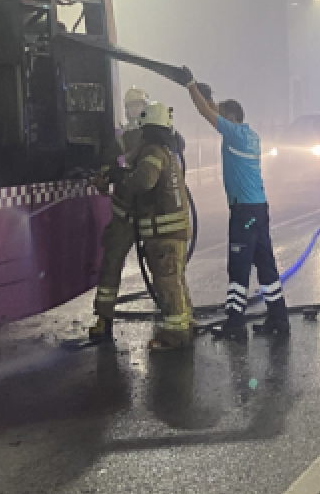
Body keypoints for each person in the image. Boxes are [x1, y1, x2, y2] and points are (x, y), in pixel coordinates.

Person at [183, 75, 289, 340]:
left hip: (243, 212)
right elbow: (213, 109)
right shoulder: (249, 135)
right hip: (259, 208)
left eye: (223, 114)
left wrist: (191, 87)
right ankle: (278, 319)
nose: (219, 116)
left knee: (238, 266)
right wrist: (208, 97)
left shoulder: (232, 133)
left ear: (230, 117)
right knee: (266, 265)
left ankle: (235, 324)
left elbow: (206, 113)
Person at [92, 102, 195, 351]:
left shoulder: (155, 150)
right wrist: (106, 171)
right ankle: (105, 318)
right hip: (132, 218)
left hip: (157, 226)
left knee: (167, 277)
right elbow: (113, 153)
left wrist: (120, 176)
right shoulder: (158, 145)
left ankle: (176, 329)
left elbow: (144, 180)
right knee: (166, 274)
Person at [88, 86, 153, 343]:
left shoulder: (156, 136)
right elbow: (106, 167)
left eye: (139, 105)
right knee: (111, 263)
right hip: (124, 212)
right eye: (132, 106)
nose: (135, 110)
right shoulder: (121, 139)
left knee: (162, 265)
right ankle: (104, 318)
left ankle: (174, 314)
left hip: (149, 212)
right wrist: (105, 178)